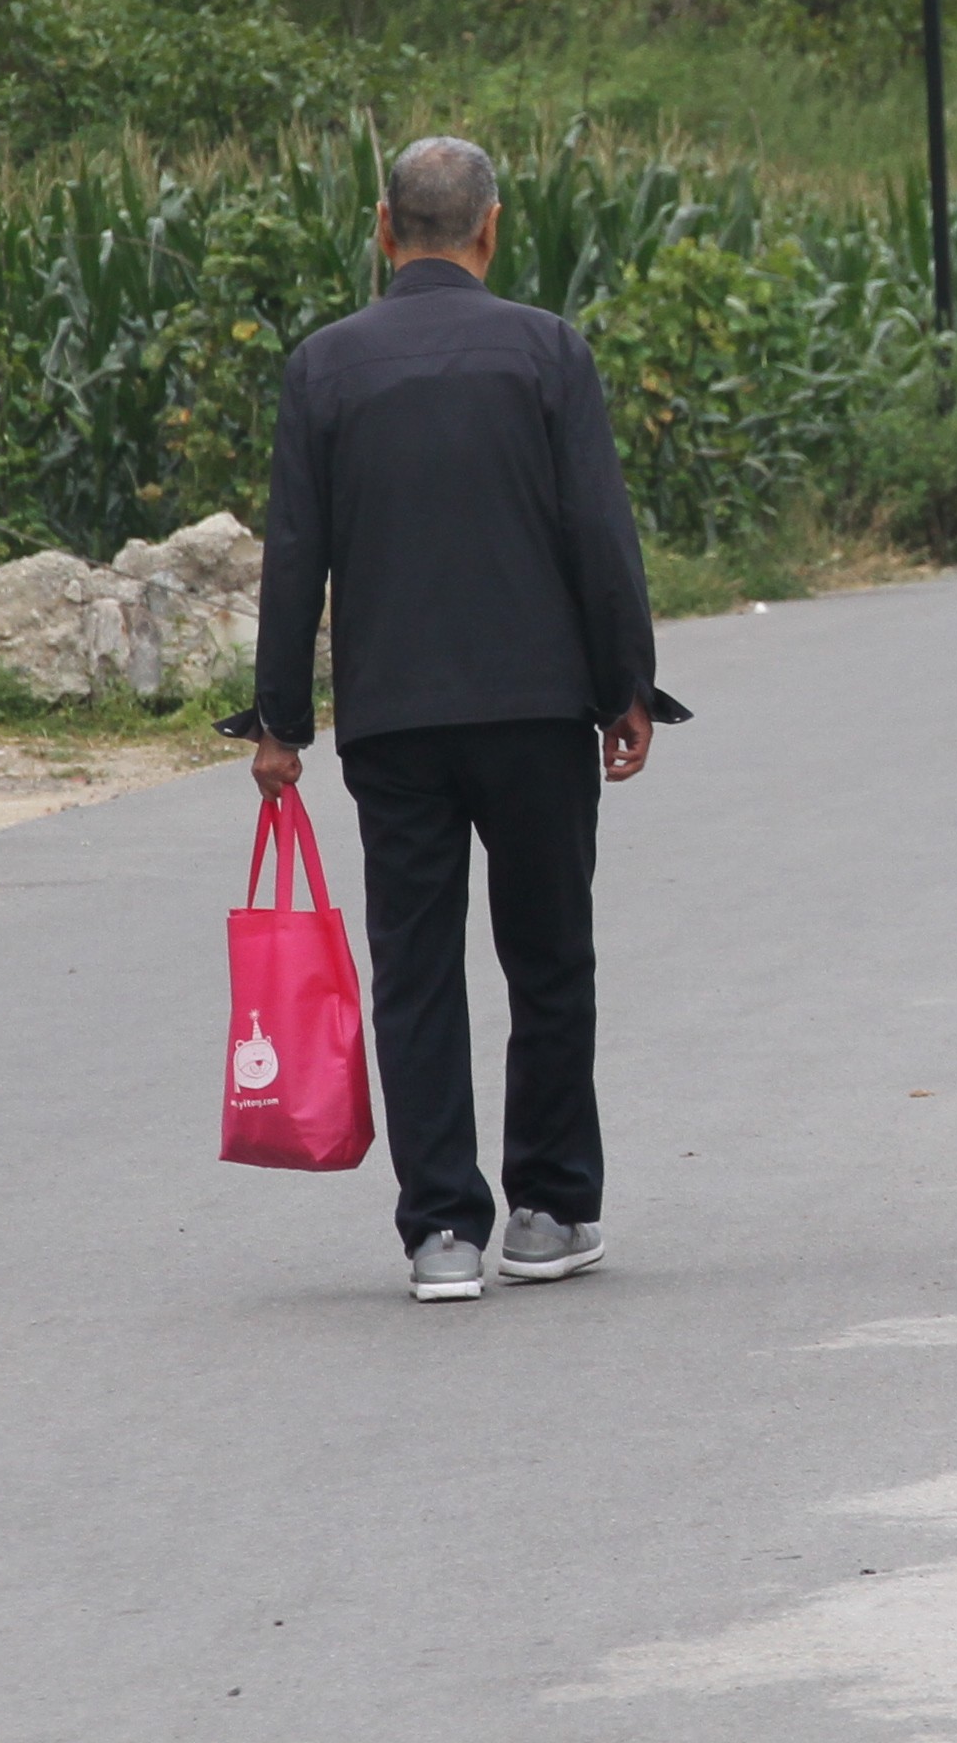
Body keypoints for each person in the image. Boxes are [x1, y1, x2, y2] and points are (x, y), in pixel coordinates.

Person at [236, 134, 685, 1303]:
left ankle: (441, 1230)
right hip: (537, 713)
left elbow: (296, 558)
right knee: (548, 958)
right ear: (492, 230)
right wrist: (624, 684)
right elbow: (597, 532)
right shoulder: (545, 350)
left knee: (416, 969)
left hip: (394, 723)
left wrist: (282, 719)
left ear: (383, 227)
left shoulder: (324, 368)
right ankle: (547, 1209)